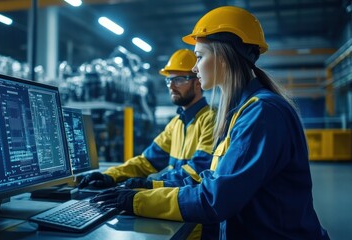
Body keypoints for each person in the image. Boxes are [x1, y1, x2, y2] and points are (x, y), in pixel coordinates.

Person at [91, 6, 330, 240]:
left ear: (224, 56)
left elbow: (215, 199)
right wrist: (142, 186)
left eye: (199, 56)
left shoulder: (261, 112)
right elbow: (211, 179)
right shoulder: (240, 112)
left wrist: (135, 200)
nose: (195, 68)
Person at [78, 49, 216, 190]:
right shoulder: (176, 124)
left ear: (198, 83)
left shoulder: (211, 120)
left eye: (179, 80)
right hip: (175, 199)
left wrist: (151, 184)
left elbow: (198, 171)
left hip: (192, 206)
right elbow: (147, 161)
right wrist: (110, 175)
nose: (172, 87)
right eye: (169, 80)